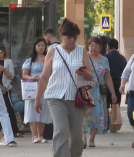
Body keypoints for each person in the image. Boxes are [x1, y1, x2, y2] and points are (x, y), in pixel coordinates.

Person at [35, 18, 93, 157]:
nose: (72, 40)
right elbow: (44, 77)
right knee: (61, 130)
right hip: (56, 97)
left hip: (76, 98)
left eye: (75, 37)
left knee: (77, 135)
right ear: (62, 36)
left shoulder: (82, 51)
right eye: (69, 37)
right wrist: (37, 99)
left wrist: (84, 73)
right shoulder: (53, 51)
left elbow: (90, 76)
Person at [83, 37, 117, 147]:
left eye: (96, 46)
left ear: (100, 47)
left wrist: (113, 93)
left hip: (97, 91)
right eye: (91, 46)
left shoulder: (104, 60)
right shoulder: (84, 57)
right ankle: (83, 137)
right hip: (84, 89)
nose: (93, 48)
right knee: (83, 114)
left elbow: (107, 77)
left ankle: (92, 138)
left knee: (97, 114)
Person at [22, 38, 52, 143]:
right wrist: (30, 78)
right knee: (32, 111)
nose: (41, 47)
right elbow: (24, 74)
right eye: (39, 45)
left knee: (43, 111)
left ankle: (41, 135)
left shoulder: (48, 59)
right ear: (35, 46)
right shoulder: (30, 60)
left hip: (45, 87)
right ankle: (34, 136)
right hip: (32, 88)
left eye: (43, 45)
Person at [0, 43, 23, 138]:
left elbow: (12, 76)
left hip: (5, 88)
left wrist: (5, 70)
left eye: (2, 52)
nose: (0, 54)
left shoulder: (8, 61)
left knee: (8, 108)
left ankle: (14, 130)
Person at [105, 38, 127, 107]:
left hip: (107, 85)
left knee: (106, 106)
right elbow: (125, 72)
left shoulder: (105, 57)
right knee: (116, 107)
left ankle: (108, 118)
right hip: (118, 84)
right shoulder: (122, 58)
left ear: (108, 47)